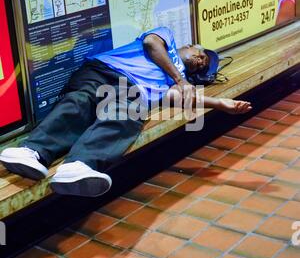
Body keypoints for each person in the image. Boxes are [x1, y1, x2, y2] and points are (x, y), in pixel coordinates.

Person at [0, 27, 252, 197]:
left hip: (132, 92)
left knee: (127, 115)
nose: (200, 61)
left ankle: (79, 165)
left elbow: (174, 97)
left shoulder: (176, 82)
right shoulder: (167, 39)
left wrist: (220, 104)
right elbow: (151, 43)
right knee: (80, 101)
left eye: (203, 66)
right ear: (188, 46)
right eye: (201, 55)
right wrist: (180, 78)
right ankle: (32, 151)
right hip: (104, 70)